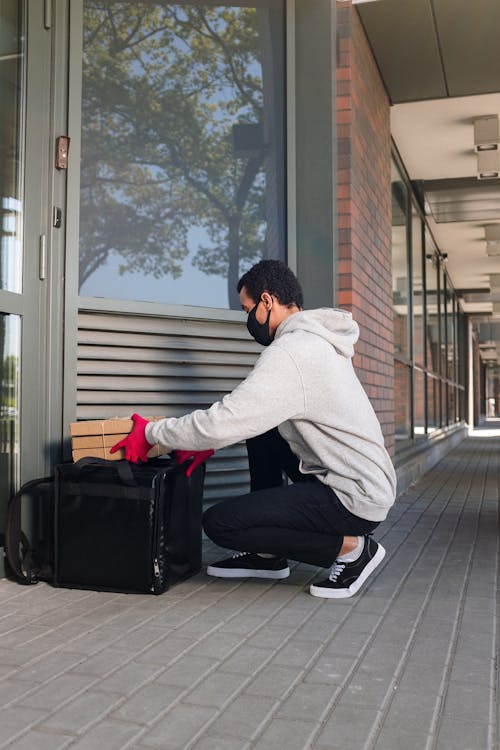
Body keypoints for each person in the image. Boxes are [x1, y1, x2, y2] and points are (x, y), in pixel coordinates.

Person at [111, 260, 396, 598]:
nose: (248, 321)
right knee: (263, 429)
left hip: (353, 498)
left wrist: (150, 434)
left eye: (247, 310)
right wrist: (204, 440)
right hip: (360, 479)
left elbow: (228, 418)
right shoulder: (316, 343)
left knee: (221, 523)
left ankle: (351, 550)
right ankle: (268, 556)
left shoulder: (293, 352)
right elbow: (251, 415)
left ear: (266, 301)